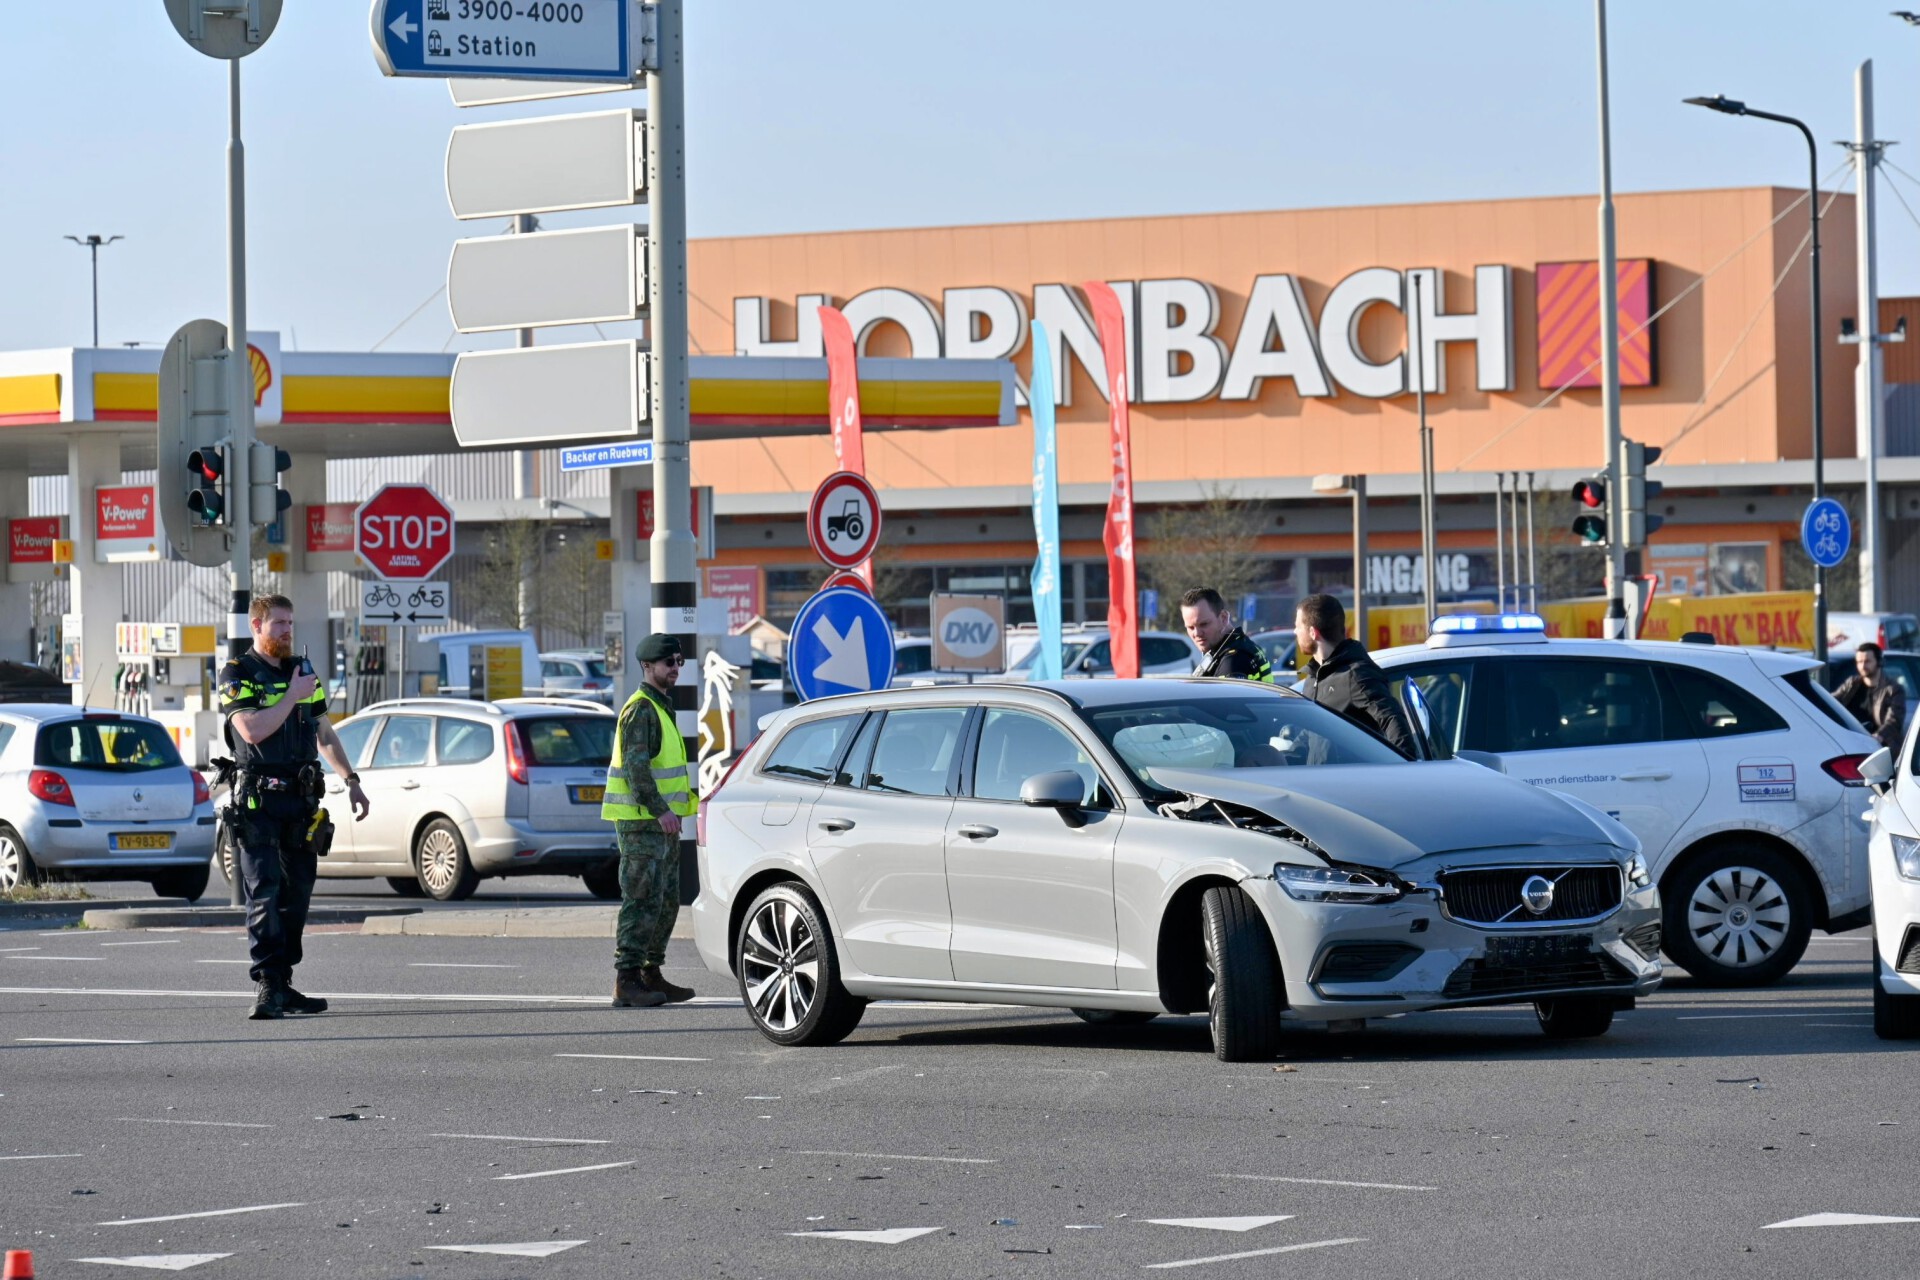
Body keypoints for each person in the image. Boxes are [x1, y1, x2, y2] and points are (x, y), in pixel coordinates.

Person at [220, 595, 369, 1021]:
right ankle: (267, 983)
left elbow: (324, 732)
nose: (287, 631)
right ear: (256, 626)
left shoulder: (303, 673)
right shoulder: (238, 673)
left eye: (290, 623)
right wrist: (290, 695)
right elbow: (251, 730)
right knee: (263, 890)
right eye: (279, 624)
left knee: (296, 896)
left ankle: (284, 983)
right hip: (258, 800)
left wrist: (352, 781)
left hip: (300, 801)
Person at [602, 633, 700, 1008]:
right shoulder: (641, 709)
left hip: (662, 823)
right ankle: (626, 981)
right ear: (647, 666)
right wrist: (660, 810)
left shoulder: (660, 707)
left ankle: (650, 973)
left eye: (679, 662)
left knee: (666, 901)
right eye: (668, 663)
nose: (676, 668)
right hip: (643, 822)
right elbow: (636, 769)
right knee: (641, 900)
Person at [1294, 592, 1416, 756]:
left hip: (1352, 780)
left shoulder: (1356, 674)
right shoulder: (1313, 679)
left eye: (1298, 626)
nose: (1295, 632)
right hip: (1318, 780)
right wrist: (1288, 753)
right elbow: (1313, 734)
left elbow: (1391, 719)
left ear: (1312, 632)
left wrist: (1405, 769)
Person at [1179, 587, 1275, 682]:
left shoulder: (1233, 660)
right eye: (1190, 627)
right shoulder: (1241, 644)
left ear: (1223, 618)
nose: (1197, 633)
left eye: (1204, 624)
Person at [1834, 642, 1907, 750]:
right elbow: (1831, 701)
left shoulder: (1893, 689)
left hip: (1881, 748)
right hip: (1852, 745)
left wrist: (1878, 736)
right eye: (1859, 662)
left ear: (1879, 662)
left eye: (1867, 661)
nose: (1863, 666)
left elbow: (1894, 720)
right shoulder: (1851, 684)